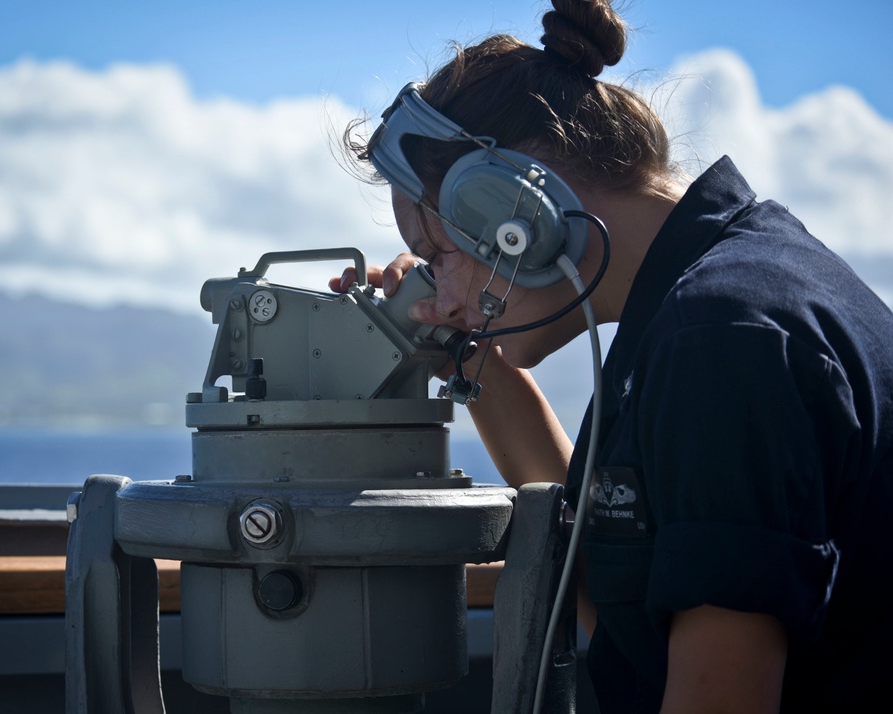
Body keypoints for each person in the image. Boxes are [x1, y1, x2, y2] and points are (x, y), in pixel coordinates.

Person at [331, 0, 893, 712]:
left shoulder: (723, 343)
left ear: (518, 218)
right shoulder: (713, 295)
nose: (437, 300)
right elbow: (630, 611)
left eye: (439, 254)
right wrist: (474, 368)